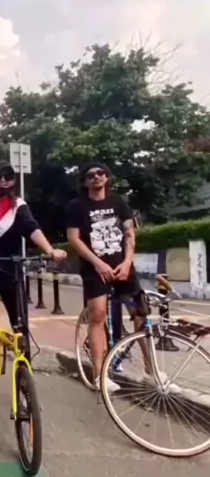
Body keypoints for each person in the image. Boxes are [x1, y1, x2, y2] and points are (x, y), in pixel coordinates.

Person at [66, 162, 179, 392]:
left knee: (140, 313)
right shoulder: (77, 206)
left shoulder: (118, 202)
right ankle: (99, 375)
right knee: (98, 314)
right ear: (84, 181)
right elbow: (74, 239)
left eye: (101, 173)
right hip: (94, 269)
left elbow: (129, 233)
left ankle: (151, 372)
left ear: (107, 177)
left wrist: (127, 262)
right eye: (91, 175)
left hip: (123, 267)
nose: (97, 177)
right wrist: (98, 263)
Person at [0, 160, 67, 402]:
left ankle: (25, 373)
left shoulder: (19, 206)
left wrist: (50, 250)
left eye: (7, 176)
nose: (2, 180)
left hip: (11, 271)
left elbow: (32, 228)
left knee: (20, 324)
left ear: (13, 180)